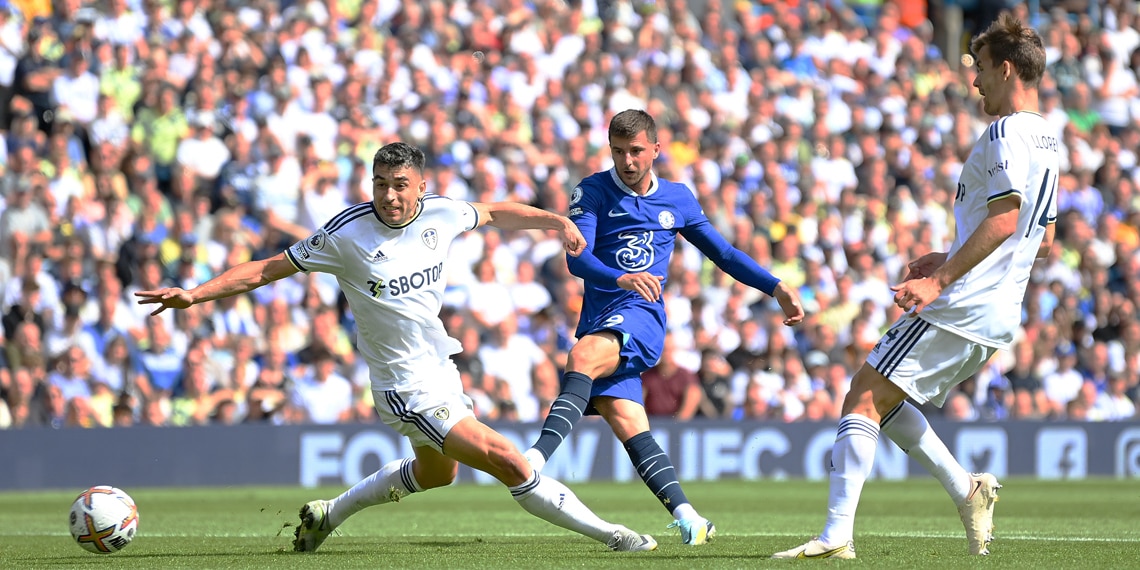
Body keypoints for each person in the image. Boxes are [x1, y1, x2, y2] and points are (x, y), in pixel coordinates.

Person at [137, 142, 657, 554]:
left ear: (421, 186)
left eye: (400, 185)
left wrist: (556, 221)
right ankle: (612, 535)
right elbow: (267, 269)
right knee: (510, 461)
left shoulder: (441, 214)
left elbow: (494, 213)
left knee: (437, 474)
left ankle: (327, 515)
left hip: (439, 369)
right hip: (403, 386)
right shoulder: (346, 234)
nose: (388, 196)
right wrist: (195, 293)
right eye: (380, 184)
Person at [773, 13, 1059, 559]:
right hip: (999, 311)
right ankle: (966, 489)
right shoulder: (1049, 139)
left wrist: (939, 279)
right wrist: (947, 255)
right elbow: (1040, 240)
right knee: (882, 395)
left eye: (979, 71)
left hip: (964, 303)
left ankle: (837, 536)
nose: (973, 82)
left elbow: (1004, 220)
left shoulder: (1004, 131)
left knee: (860, 397)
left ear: (1005, 69)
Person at [522, 109, 805, 545]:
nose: (628, 161)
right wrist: (619, 277)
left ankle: (534, 460)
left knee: (580, 357)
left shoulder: (677, 198)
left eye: (636, 151)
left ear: (656, 149)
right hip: (602, 315)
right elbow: (575, 258)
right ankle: (690, 517)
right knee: (630, 423)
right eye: (618, 152)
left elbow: (724, 254)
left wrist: (776, 286)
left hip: (642, 314)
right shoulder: (592, 190)